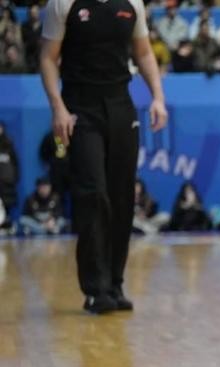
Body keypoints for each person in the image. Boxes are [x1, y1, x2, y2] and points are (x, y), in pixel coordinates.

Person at [40, 0, 168, 314]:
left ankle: (115, 283)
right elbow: (47, 57)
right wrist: (58, 108)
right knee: (93, 194)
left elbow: (143, 53)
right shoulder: (63, 3)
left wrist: (158, 98)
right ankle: (95, 289)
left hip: (120, 105)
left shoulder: (132, 3)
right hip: (80, 107)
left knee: (122, 198)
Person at [39, 129, 70, 210]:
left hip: (71, 171)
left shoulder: (71, 135)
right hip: (56, 172)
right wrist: (49, 162)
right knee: (58, 195)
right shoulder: (50, 136)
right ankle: (59, 214)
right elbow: (43, 152)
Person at [0, 122, 19, 233]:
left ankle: (6, 226)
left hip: (6, 181)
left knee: (7, 204)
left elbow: (15, 163)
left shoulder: (9, 144)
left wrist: (14, 177)